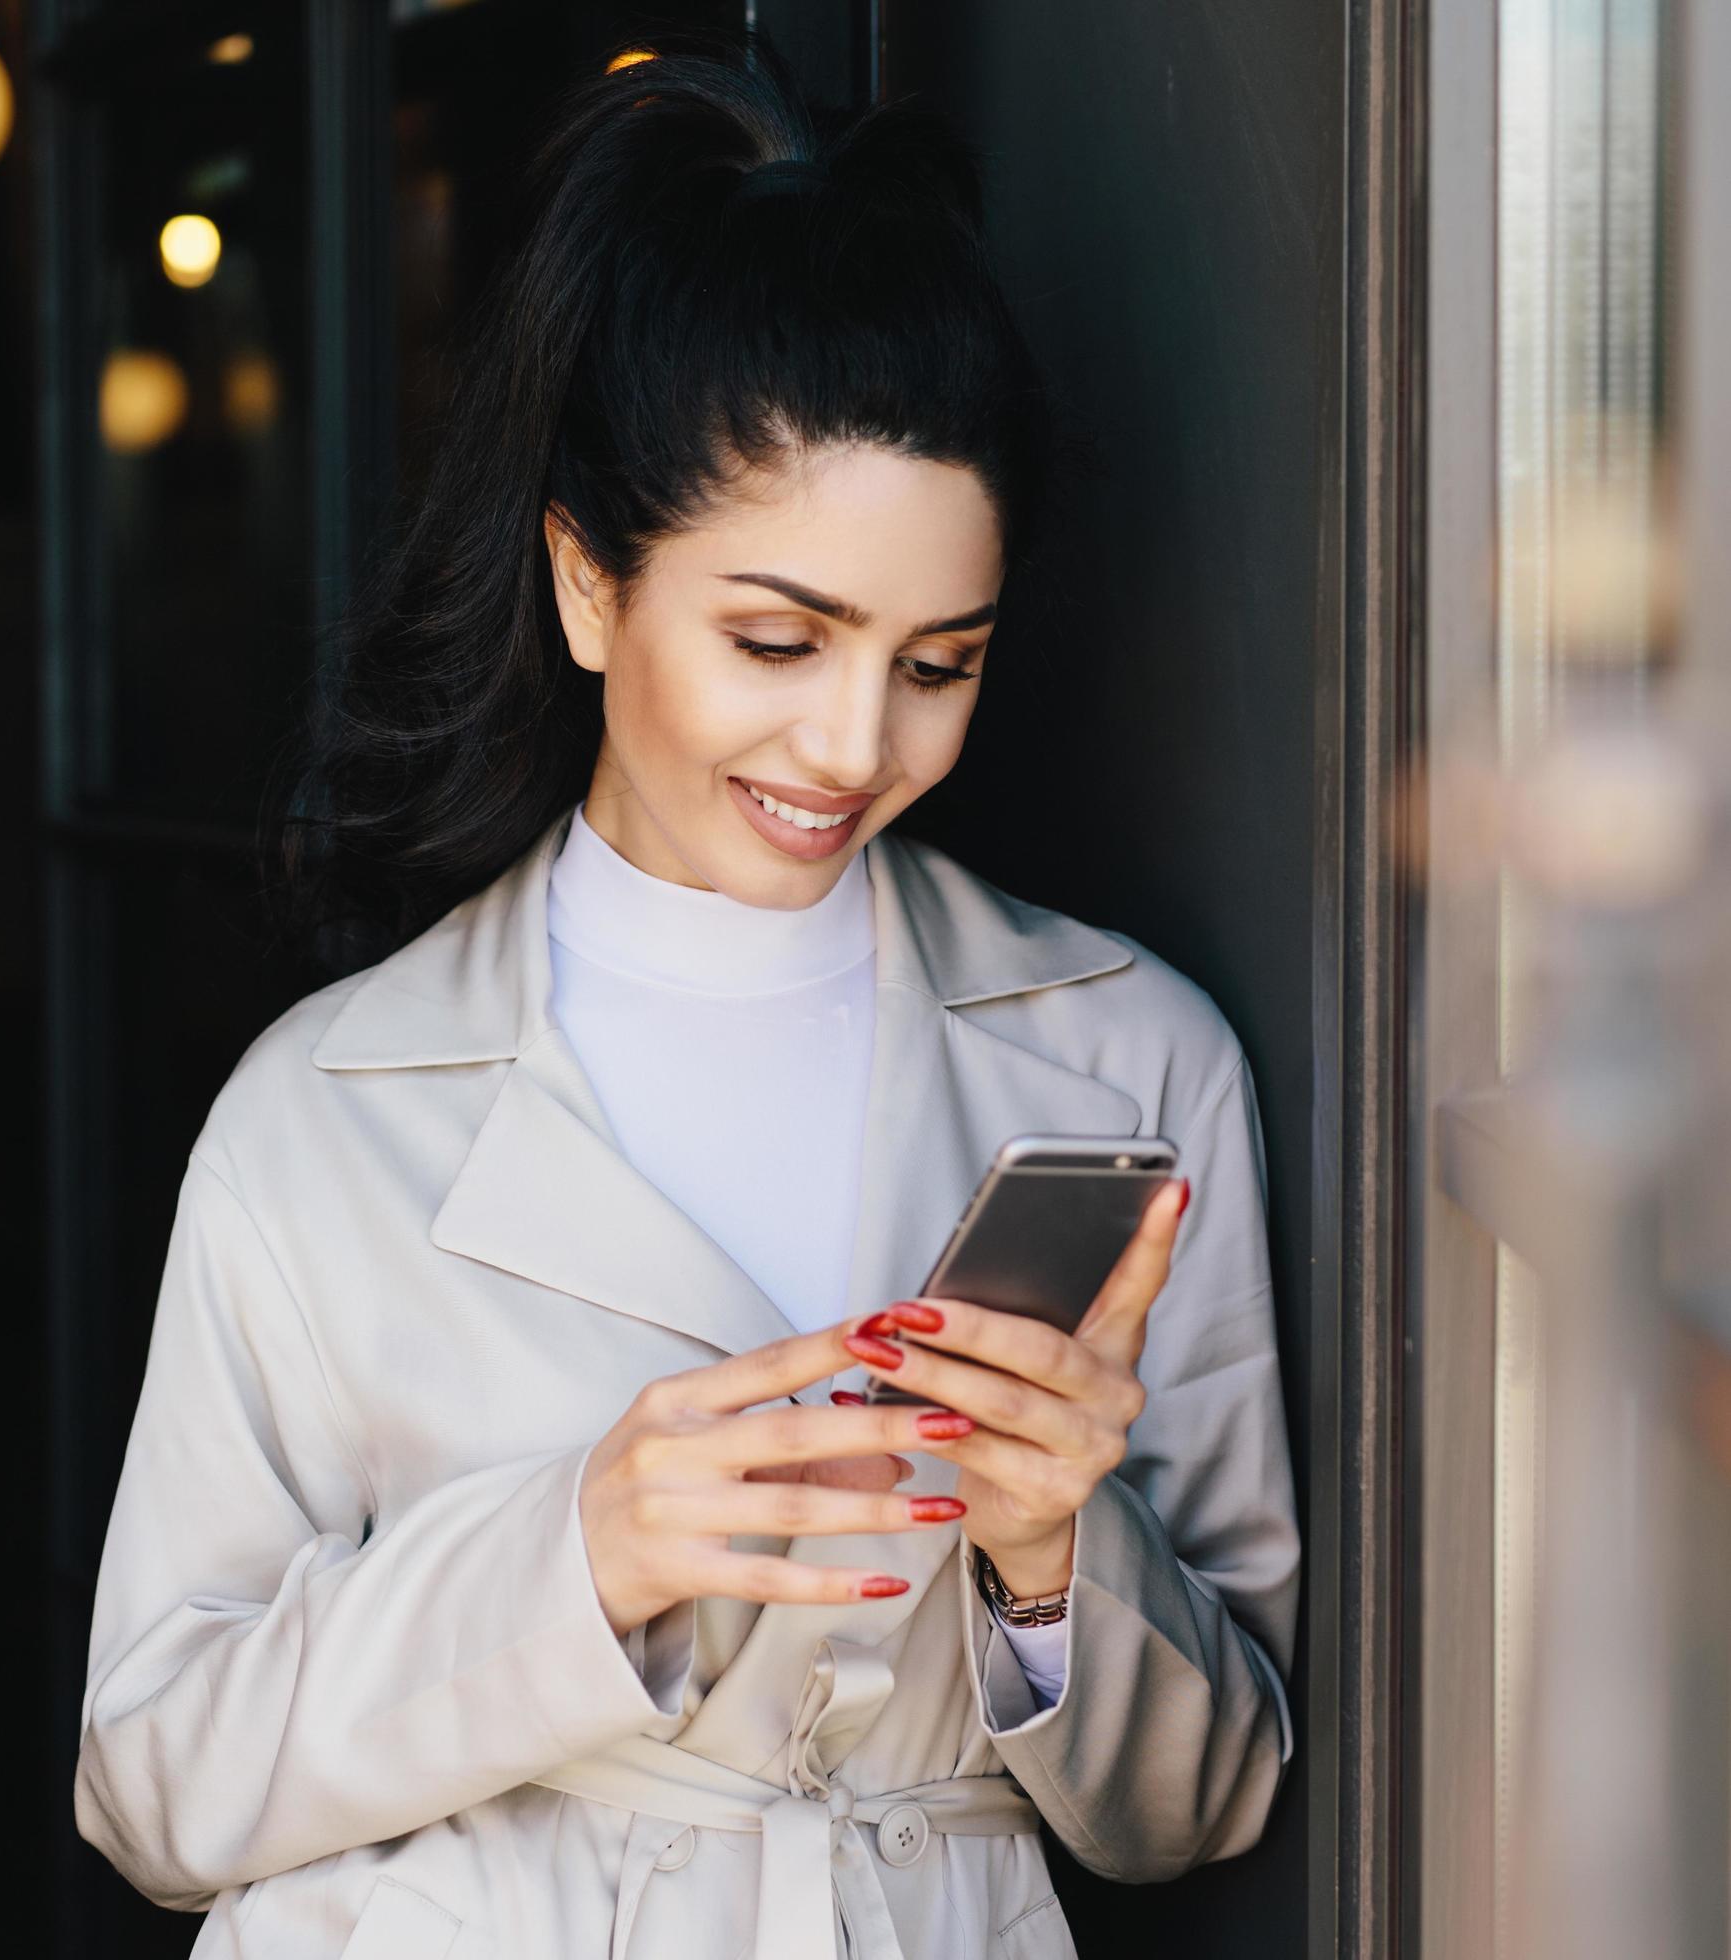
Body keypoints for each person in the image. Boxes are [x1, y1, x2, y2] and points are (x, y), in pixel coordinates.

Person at [73, 42, 1298, 1960]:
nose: (850, 739)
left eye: (935, 662)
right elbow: (151, 1781)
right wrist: (581, 1549)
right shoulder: (329, 1105)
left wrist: (1057, 1561)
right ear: (585, 582)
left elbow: (1203, 1806)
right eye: (773, 637)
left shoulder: (1129, 1061)